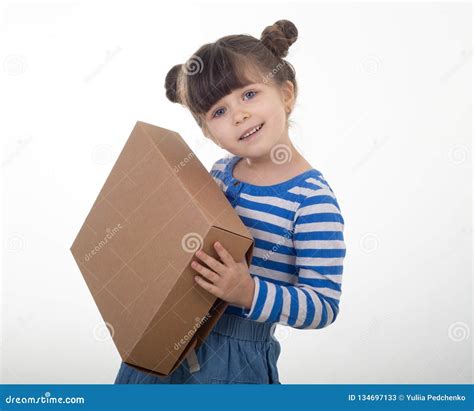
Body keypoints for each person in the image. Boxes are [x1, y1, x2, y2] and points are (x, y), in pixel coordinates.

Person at [114, 19, 346, 384]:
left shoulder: (311, 200)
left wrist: (247, 291)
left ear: (286, 95)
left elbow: (323, 305)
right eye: (218, 112)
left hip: (234, 361)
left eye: (249, 94)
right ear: (208, 132)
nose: (239, 114)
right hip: (164, 333)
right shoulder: (220, 170)